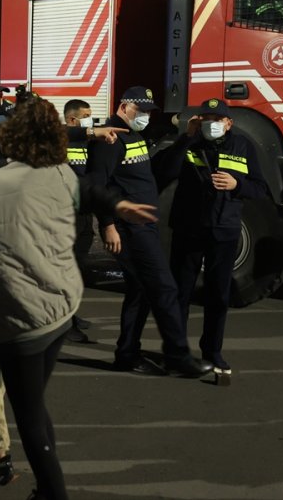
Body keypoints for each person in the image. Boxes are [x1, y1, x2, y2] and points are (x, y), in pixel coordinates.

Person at [0, 97, 157, 500]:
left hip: (18, 315)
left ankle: (52, 492)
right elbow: (89, 190)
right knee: (35, 403)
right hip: (60, 308)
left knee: (29, 415)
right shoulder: (62, 173)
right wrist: (117, 204)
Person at [86, 86, 213, 378]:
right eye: (140, 110)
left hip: (144, 226)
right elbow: (96, 185)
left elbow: (156, 172)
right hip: (129, 228)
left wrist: (186, 138)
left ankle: (127, 354)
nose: (144, 116)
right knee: (164, 287)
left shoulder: (134, 136)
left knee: (140, 290)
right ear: (123, 107)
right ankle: (178, 356)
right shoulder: (110, 139)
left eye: (148, 111)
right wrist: (107, 225)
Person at [152, 98, 270, 374]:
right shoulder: (189, 144)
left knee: (218, 295)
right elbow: (164, 171)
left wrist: (236, 184)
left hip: (224, 230)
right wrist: (186, 137)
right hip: (189, 228)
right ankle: (176, 353)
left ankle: (212, 352)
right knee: (180, 293)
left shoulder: (243, 146)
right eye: (206, 119)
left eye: (217, 120)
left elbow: (260, 188)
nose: (211, 124)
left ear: (228, 123)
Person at [63, 99, 96, 343]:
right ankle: (64, 324)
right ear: (72, 119)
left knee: (79, 268)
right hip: (66, 215)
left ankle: (72, 314)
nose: (90, 120)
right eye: (86, 116)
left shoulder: (87, 143)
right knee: (66, 272)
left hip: (84, 214)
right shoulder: (60, 140)